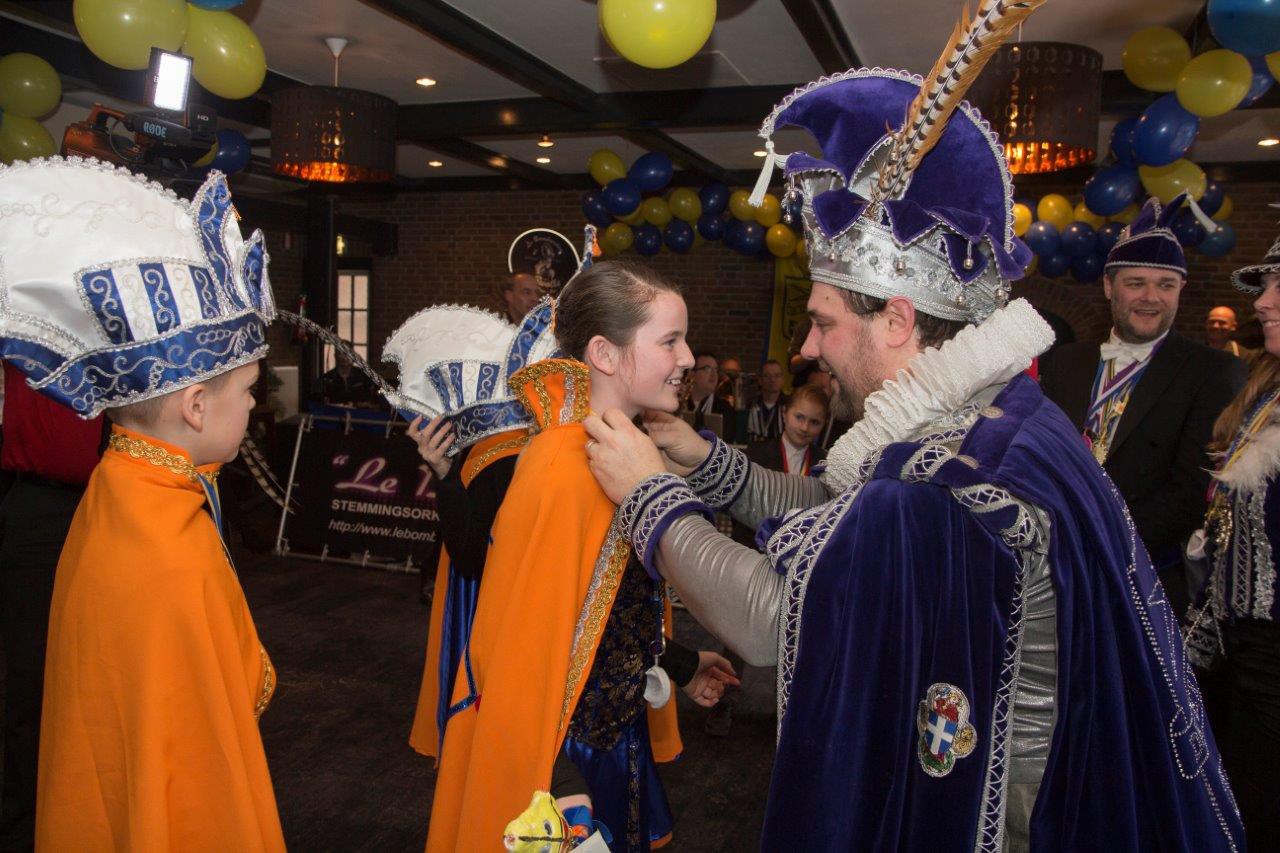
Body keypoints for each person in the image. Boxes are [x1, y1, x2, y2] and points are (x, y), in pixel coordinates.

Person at [580, 15, 1244, 849]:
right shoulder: (992, 415)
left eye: (824, 321)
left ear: (896, 319)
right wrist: (709, 465)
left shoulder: (950, 474)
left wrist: (649, 494)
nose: (807, 346)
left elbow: (776, 614)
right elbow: (842, 521)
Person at [0, 159, 284, 849]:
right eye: (248, 390)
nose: (254, 404)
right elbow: (200, 744)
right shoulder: (169, 546)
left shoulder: (119, 486)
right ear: (195, 406)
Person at [427, 259, 738, 852]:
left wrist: (680, 662)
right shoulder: (563, 467)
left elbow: (603, 617)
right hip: (566, 765)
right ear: (604, 353)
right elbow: (512, 651)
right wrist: (558, 781)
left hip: (612, 743)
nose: (687, 357)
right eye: (669, 340)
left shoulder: (619, 454)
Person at [1039, 195, 1247, 612]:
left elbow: (1190, 491)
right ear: (1108, 286)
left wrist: (1099, 541)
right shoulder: (1064, 361)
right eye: (1136, 283)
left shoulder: (1212, 370)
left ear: (1181, 289)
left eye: (1166, 285)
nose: (1151, 297)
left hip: (1146, 581)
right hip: (1055, 570)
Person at [380, 301, 551, 764]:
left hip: (496, 619)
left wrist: (446, 474)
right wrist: (446, 473)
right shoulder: (517, 454)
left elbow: (470, 557)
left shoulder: (497, 458)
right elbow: (471, 552)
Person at [1186, 225, 1280, 849]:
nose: (1262, 302)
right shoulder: (1264, 395)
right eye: (1265, 287)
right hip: (1243, 657)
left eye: (1279, 288)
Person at [0, 362, 103, 849]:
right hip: (40, 505)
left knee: (109, 675)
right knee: (31, 681)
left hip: (118, 502)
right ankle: (24, 831)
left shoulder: (125, 322)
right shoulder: (22, 319)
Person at [712, 384, 829, 737]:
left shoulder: (828, 464)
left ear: (823, 425)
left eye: (814, 422)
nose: (804, 427)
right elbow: (739, 505)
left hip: (802, 567)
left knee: (795, 641)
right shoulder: (757, 455)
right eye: (799, 417)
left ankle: (788, 715)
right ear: (784, 414)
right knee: (736, 638)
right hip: (755, 558)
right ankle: (723, 701)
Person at [684, 351, 737, 443]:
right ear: (692, 374)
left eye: (716, 369)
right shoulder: (679, 404)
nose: (714, 374)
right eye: (707, 369)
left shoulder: (725, 408)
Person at [310, 342, 378, 407]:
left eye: (348, 353)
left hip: (360, 414)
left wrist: (365, 405)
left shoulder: (364, 376)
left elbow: (375, 402)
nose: (344, 357)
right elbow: (315, 403)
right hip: (334, 414)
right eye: (341, 353)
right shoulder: (325, 378)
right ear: (335, 355)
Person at [746, 359, 787, 441]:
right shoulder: (750, 405)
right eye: (767, 376)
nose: (772, 380)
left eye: (777, 375)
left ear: (783, 380)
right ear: (760, 380)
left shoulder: (790, 406)